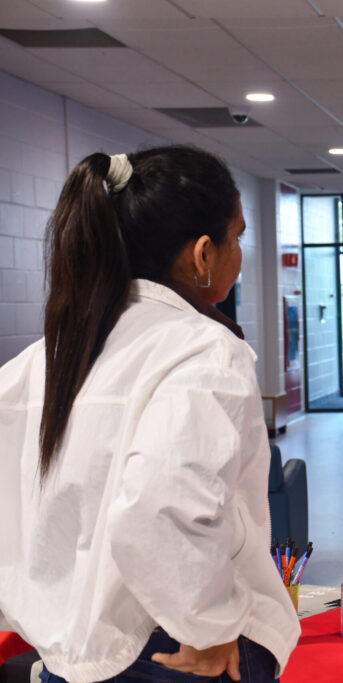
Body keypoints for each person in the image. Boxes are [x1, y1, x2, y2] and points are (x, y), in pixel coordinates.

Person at [0, 147, 300, 681]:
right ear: (203, 254)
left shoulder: (40, 361)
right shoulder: (203, 349)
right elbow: (159, 502)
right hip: (174, 652)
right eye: (238, 236)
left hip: (66, 657)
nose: (240, 251)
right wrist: (208, 625)